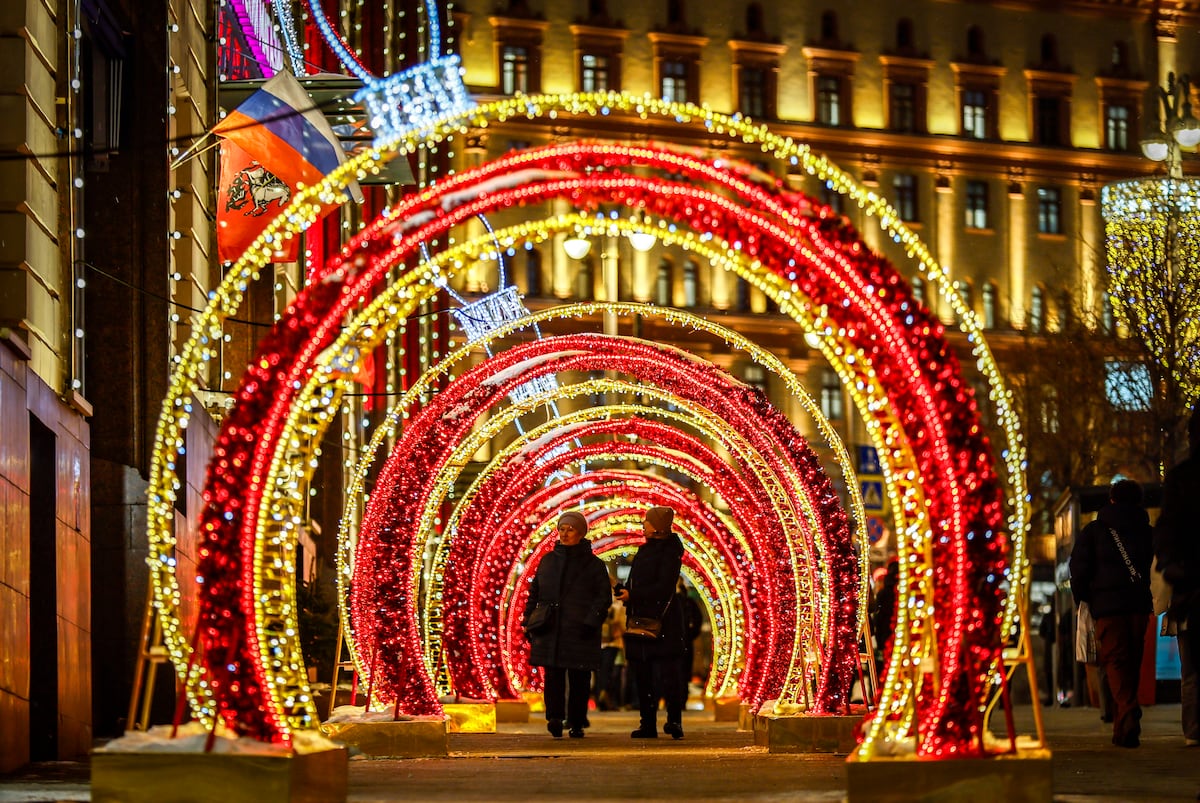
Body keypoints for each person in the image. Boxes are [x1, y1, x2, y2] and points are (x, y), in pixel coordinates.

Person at [1069, 478, 1154, 748]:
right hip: (1139, 606)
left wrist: (1084, 597)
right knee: (1131, 663)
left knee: (1115, 662)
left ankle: (1129, 711)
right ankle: (1122, 731)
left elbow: (1079, 569)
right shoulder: (1146, 531)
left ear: (1112, 499)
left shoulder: (1095, 531)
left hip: (1108, 608)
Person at [523, 511, 612, 738]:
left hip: (580, 630)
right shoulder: (548, 560)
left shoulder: (594, 565)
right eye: (561, 529)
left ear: (581, 533)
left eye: (570, 529)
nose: (564, 533)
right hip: (550, 628)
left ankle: (576, 721)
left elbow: (603, 598)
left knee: (579, 678)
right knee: (553, 676)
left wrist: (590, 622)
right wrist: (528, 621)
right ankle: (554, 717)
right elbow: (535, 593)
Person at [615, 506, 687, 739]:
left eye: (646, 521)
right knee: (643, 674)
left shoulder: (669, 553)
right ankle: (648, 723)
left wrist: (633, 595)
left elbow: (663, 586)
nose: (643, 525)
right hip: (640, 619)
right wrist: (625, 590)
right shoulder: (644, 551)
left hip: (664, 622)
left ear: (657, 526)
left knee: (668, 674)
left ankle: (674, 721)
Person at [1156, 406, 1200, 747]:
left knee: (1192, 672)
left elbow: (1168, 536)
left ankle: (1193, 730)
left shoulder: (1182, 479)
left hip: (1194, 591)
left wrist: (1175, 571)